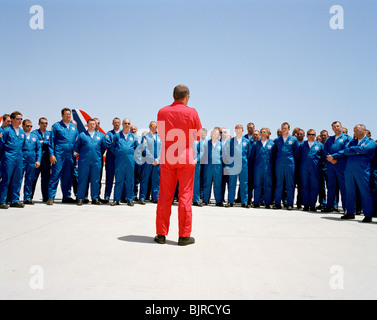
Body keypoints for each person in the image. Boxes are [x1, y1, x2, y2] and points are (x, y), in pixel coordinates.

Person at [155, 85, 202, 246]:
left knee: (165, 195)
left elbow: (161, 134)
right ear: (186, 97)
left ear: (173, 95)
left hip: (168, 155)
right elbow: (197, 135)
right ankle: (183, 235)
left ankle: (161, 234)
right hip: (185, 156)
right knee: (185, 195)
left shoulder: (162, 111)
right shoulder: (192, 112)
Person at [342, 124, 377, 222]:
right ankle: (350, 212)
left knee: (365, 192)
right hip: (349, 170)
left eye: (356, 130)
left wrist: (353, 150)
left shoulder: (371, 142)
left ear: (363, 131)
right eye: (354, 131)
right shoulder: (352, 142)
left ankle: (368, 214)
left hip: (363, 170)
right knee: (350, 192)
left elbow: (365, 150)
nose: (354, 133)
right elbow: (346, 151)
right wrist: (357, 151)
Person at [47, 108, 78, 205]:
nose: (68, 116)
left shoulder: (73, 127)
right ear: (62, 115)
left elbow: (77, 141)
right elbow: (51, 142)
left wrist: (77, 151)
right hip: (59, 155)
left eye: (69, 115)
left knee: (67, 177)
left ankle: (67, 196)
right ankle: (51, 197)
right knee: (55, 175)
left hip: (70, 156)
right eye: (66, 114)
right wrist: (51, 154)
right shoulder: (56, 126)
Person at [74, 119, 107, 205]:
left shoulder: (101, 136)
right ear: (87, 125)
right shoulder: (82, 135)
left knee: (95, 180)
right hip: (84, 161)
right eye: (90, 124)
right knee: (82, 179)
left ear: (96, 125)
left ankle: (95, 198)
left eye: (94, 124)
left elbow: (103, 147)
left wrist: (96, 155)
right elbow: (76, 146)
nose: (92, 125)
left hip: (96, 161)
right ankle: (80, 198)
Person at [322, 121, 352, 213]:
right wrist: (329, 158)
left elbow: (346, 150)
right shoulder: (329, 139)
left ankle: (346, 208)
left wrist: (334, 157)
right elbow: (324, 149)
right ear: (332, 128)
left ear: (341, 127)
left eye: (338, 126)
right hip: (331, 166)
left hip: (341, 165)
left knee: (344, 187)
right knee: (331, 187)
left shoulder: (347, 138)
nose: (336, 128)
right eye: (334, 127)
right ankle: (329, 206)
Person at [0, 111, 26, 209]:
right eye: (18, 119)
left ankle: (15, 200)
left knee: (17, 180)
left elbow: (23, 146)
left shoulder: (22, 132)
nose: (20, 121)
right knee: (6, 179)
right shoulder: (6, 131)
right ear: (12, 119)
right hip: (8, 158)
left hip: (19, 158)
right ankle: (2, 201)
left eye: (21, 119)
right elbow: (1, 145)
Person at [110, 118, 139, 206]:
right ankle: (116, 200)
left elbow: (137, 148)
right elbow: (112, 147)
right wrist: (119, 153)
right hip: (119, 160)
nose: (127, 125)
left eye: (128, 123)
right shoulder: (117, 136)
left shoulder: (133, 137)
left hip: (130, 161)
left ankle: (129, 199)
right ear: (122, 124)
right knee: (119, 180)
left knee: (130, 180)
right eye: (125, 123)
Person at [224, 124, 251, 208]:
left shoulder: (247, 141)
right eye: (237, 129)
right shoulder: (231, 141)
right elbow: (227, 153)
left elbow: (249, 154)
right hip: (233, 165)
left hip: (243, 165)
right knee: (232, 183)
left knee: (244, 183)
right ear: (235, 131)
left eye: (240, 129)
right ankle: (230, 201)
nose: (238, 131)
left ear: (243, 130)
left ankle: (244, 202)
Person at [273, 122, 299, 210]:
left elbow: (297, 153)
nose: (284, 130)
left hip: (290, 164)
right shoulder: (277, 140)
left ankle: (289, 203)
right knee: (279, 184)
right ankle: (277, 203)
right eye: (282, 128)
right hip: (279, 164)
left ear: (289, 129)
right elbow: (274, 153)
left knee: (290, 184)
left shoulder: (294, 140)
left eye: (285, 128)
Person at [298, 129, 324, 211]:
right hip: (304, 168)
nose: (311, 136)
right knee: (304, 186)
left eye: (313, 134)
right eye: (309, 134)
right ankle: (306, 204)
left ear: (315, 135)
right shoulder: (302, 145)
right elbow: (298, 157)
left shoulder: (319, 145)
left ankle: (312, 205)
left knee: (314, 187)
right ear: (306, 135)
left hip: (315, 168)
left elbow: (323, 157)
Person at [250, 128, 276, 209]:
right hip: (258, 168)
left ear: (268, 134)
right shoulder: (255, 144)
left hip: (268, 168)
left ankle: (267, 202)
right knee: (257, 185)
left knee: (268, 185)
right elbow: (252, 157)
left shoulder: (272, 144)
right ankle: (256, 202)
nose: (262, 133)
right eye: (261, 132)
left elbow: (274, 157)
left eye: (264, 132)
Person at [138, 121, 162, 205]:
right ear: (149, 126)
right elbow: (144, 149)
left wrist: (158, 159)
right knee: (145, 179)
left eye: (156, 126)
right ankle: (142, 197)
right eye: (153, 126)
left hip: (157, 162)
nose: (154, 128)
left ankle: (156, 197)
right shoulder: (145, 137)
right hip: (148, 161)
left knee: (156, 180)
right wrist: (152, 159)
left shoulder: (159, 137)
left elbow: (162, 150)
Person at [22, 120, 42, 205]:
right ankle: (13, 198)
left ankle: (27, 198)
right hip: (21, 159)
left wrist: (38, 160)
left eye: (31, 126)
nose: (29, 128)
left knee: (29, 179)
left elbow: (39, 149)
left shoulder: (34, 136)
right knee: (17, 180)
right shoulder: (20, 135)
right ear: (23, 126)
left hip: (31, 161)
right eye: (27, 126)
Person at [202, 129, 223, 207]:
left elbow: (224, 156)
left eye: (216, 133)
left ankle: (218, 201)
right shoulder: (206, 144)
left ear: (218, 135)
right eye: (213, 133)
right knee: (207, 183)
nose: (214, 135)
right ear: (210, 135)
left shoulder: (221, 144)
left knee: (217, 184)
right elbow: (203, 155)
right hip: (208, 166)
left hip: (218, 167)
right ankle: (205, 200)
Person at [31, 117, 51, 202]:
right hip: (37, 159)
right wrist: (43, 143)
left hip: (46, 160)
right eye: (43, 123)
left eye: (46, 123)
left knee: (46, 179)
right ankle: (29, 197)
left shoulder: (49, 134)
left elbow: (51, 143)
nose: (44, 125)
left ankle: (45, 197)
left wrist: (43, 142)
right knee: (33, 178)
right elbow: (34, 143)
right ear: (39, 124)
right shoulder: (34, 133)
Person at [103, 117, 121, 203]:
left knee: (120, 179)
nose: (117, 124)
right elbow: (109, 145)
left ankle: (119, 197)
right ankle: (107, 196)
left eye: (118, 122)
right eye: (115, 122)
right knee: (109, 178)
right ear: (112, 124)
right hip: (111, 159)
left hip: (120, 160)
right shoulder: (109, 134)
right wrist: (117, 152)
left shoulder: (122, 134)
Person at [0, 114, 11, 182]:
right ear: (3, 121)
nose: (9, 123)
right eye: (8, 121)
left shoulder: (11, 132)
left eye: (10, 122)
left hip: (7, 158)